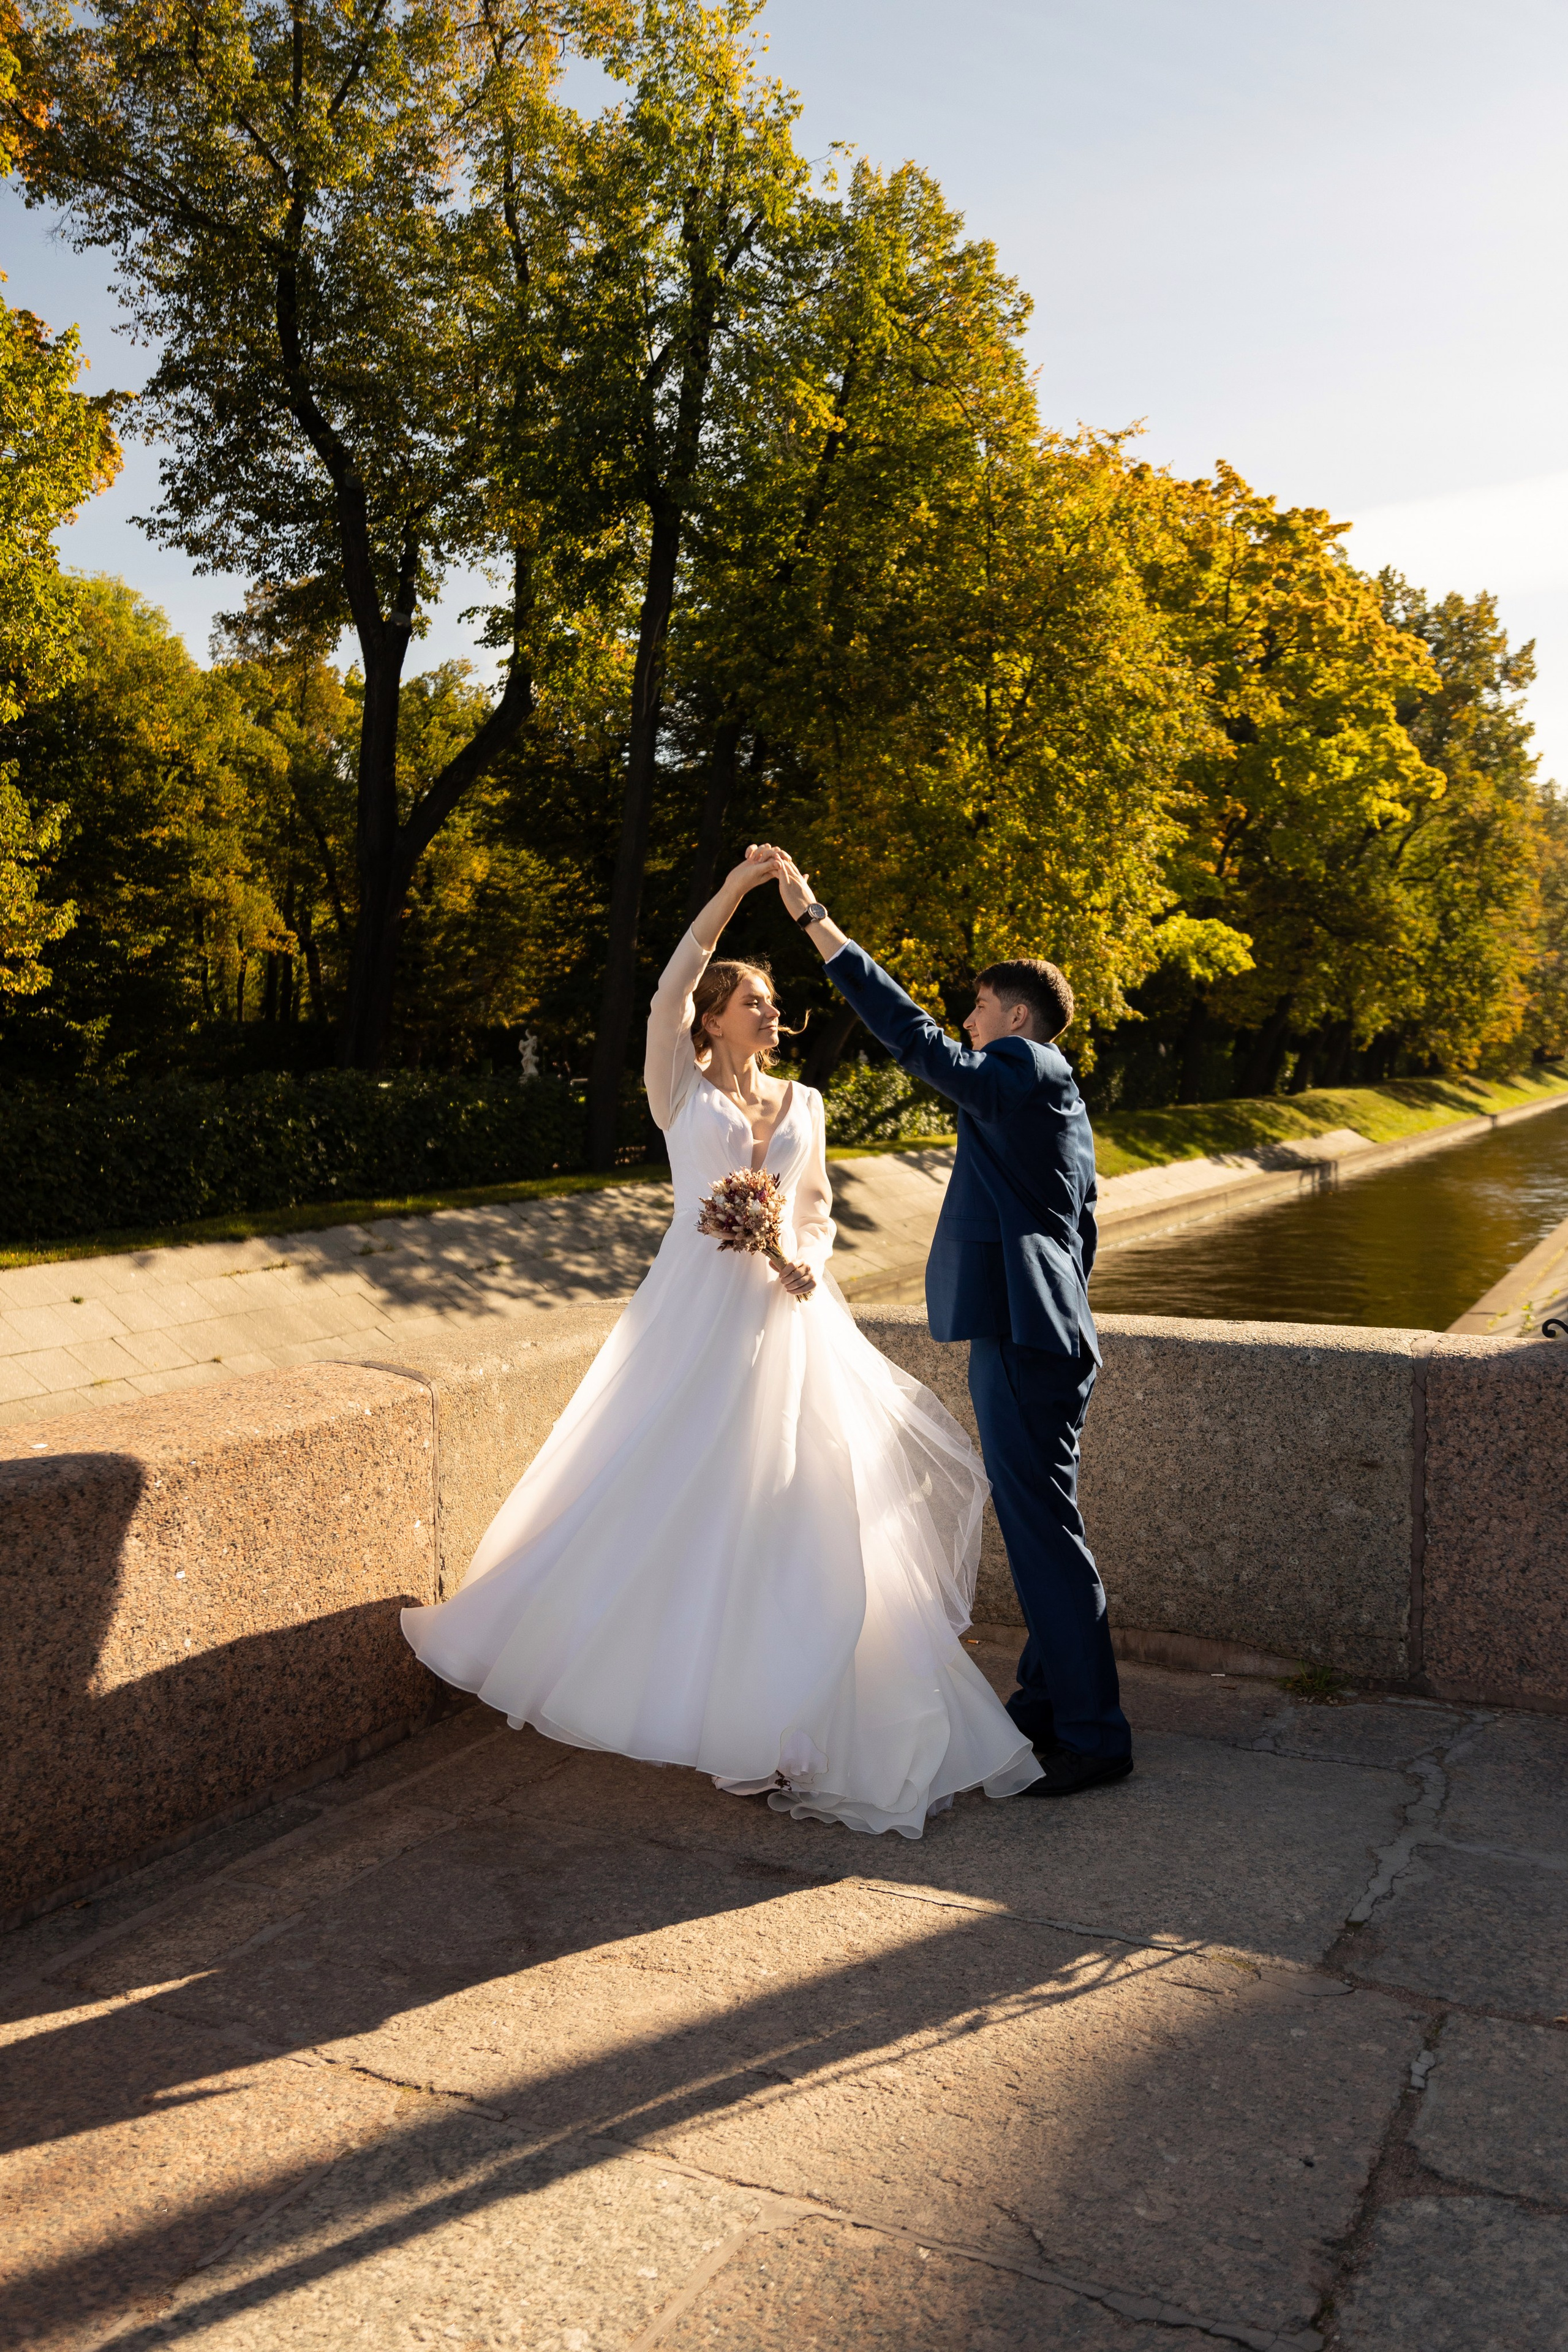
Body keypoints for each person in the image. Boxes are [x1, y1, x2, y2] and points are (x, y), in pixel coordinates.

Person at [400, 848, 1041, 1836]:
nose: (775, 1017)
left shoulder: (808, 1106)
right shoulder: (676, 1085)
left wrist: (804, 1262)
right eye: (757, 1003)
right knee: (672, 1482)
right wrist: (742, 893)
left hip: (788, 1320)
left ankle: (775, 1715)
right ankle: (683, 1694)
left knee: (792, 1500)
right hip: (691, 1314)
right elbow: (667, 982)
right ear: (713, 1018)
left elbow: (821, 1211)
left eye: (777, 1006)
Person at [764, 846, 1133, 1796]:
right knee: (1045, 1521)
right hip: (1050, 1327)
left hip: (1023, 1333)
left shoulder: (1019, 1065)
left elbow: (919, 1043)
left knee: (1043, 1528)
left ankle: (1095, 1734)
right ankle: (1051, 1706)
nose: (968, 1023)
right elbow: (1082, 1222)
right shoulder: (1053, 1094)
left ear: (1014, 1015)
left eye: (978, 1008)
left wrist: (820, 925)